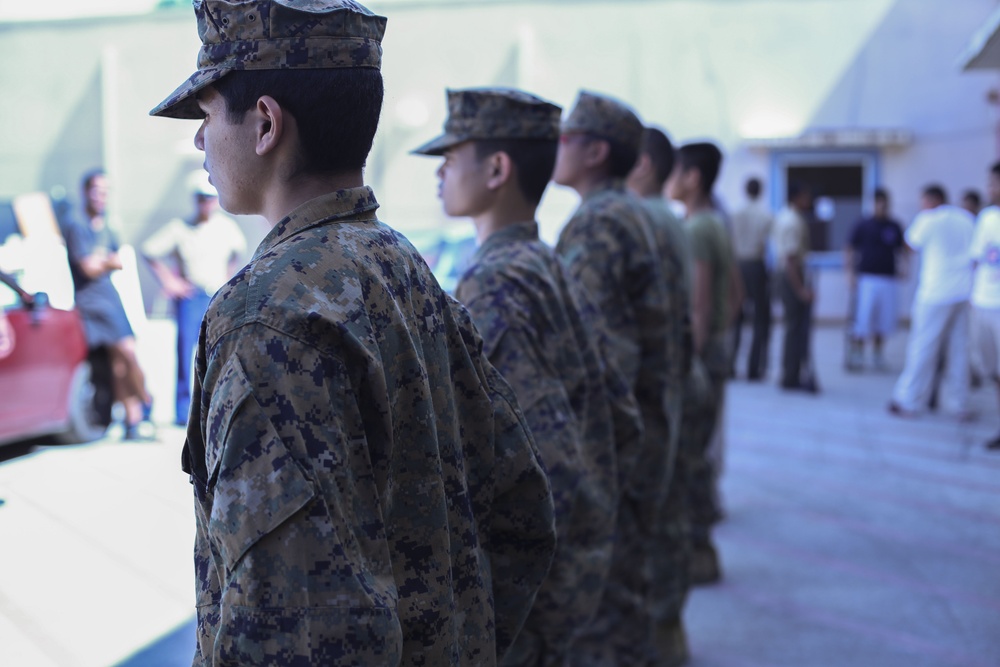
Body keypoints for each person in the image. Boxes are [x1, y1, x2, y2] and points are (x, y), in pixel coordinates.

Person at [149, 2, 557, 664]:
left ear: (264, 124)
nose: (199, 141)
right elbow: (524, 512)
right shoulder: (401, 268)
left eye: (206, 114)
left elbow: (288, 628)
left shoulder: (267, 314)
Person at [413, 86, 643, 667]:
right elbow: (622, 415)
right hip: (575, 569)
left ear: (496, 169)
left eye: (451, 157)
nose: (439, 173)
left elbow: (543, 465)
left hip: (531, 594)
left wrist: (517, 595)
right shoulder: (545, 264)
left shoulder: (494, 284)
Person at [553, 90, 675, 667]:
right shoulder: (622, 212)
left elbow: (600, 357)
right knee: (626, 587)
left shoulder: (598, 222)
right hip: (644, 428)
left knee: (605, 602)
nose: (556, 148)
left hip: (619, 442)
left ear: (597, 152)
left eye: (566, 138)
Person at [625, 125, 695, 665]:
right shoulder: (670, 221)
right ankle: (669, 630)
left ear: (642, 164)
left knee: (642, 527)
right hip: (672, 384)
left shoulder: (634, 220)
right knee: (669, 514)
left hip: (644, 396)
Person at [666, 141, 738, 589]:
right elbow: (737, 297)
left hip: (702, 354)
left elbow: (701, 303)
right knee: (702, 449)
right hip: (718, 350)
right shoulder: (715, 222)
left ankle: (698, 555)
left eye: (675, 171)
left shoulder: (695, 229)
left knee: (691, 455)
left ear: (692, 177)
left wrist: (689, 361)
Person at [142, 171, 246, 426]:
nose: (206, 203)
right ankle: (183, 410)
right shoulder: (180, 228)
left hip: (216, 296)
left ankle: (216, 406)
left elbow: (238, 252)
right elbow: (149, 251)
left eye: (209, 198)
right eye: (201, 198)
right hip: (192, 297)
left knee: (219, 350)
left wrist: (228, 278)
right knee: (186, 352)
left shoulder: (226, 227)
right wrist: (170, 281)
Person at [62, 168, 153, 441]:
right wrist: (104, 260)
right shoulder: (76, 224)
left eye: (105, 192)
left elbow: (119, 260)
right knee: (126, 352)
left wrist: (101, 259)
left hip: (111, 297)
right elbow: (88, 268)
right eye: (96, 191)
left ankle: (133, 419)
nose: (101, 197)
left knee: (121, 362)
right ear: (85, 192)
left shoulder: (107, 224)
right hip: (92, 303)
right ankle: (147, 399)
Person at [888, 185, 974, 419]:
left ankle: (908, 399)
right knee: (959, 349)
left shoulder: (929, 219)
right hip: (963, 292)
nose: (920, 206)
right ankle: (959, 403)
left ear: (932, 200)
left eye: (922, 201)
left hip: (935, 293)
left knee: (923, 347)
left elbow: (909, 246)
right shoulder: (966, 218)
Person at [844, 188, 905, 372]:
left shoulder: (894, 225)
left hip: (888, 278)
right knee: (863, 318)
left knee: (883, 319)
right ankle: (857, 354)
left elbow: (902, 249)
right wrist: (850, 274)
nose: (881, 206)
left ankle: (878, 354)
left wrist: (905, 267)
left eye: (884, 202)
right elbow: (849, 248)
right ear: (874, 203)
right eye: (878, 202)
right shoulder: (863, 225)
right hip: (867, 279)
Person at [773, 182, 818, 392]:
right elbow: (790, 259)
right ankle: (790, 375)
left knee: (794, 327)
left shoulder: (786, 216)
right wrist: (800, 289)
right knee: (794, 327)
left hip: (790, 273)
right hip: (791, 274)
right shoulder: (792, 221)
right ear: (796, 198)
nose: (807, 202)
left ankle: (791, 373)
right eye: (805, 197)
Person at [729, 177, 773, 380]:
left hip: (737, 264)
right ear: (760, 191)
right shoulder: (765, 214)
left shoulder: (734, 213)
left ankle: (729, 365)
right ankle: (754, 369)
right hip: (755, 265)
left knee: (735, 317)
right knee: (760, 319)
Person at [971, 163, 1000, 449]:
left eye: (994, 183)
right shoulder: (987, 218)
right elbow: (976, 259)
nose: (990, 188)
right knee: (994, 372)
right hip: (983, 303)